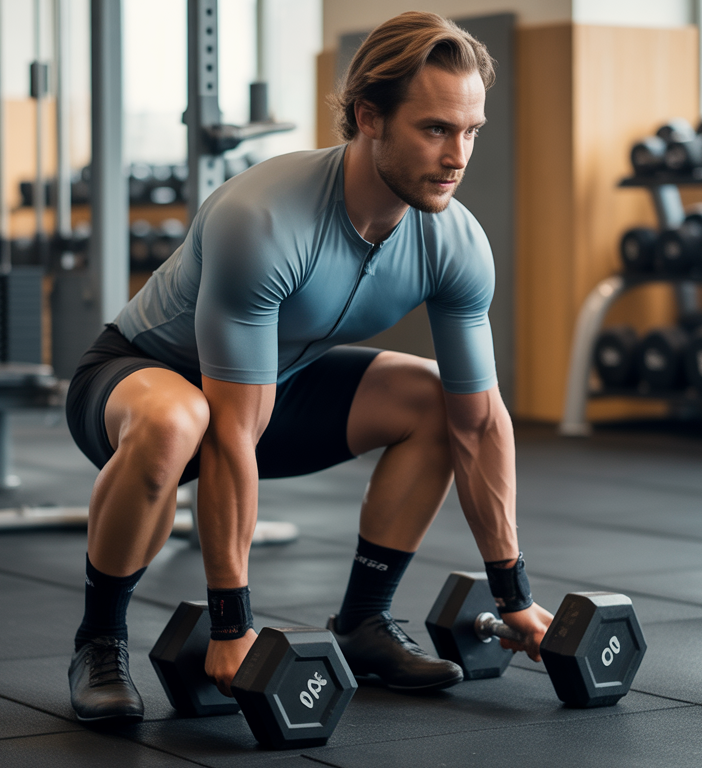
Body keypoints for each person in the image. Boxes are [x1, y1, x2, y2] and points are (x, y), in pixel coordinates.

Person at [64, 11, 553, 724]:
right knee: (181, 420)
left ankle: (365, 623)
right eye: (436, 129)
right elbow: (231, 434)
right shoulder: (263, 218)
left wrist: (514, 595)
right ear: (369, 118)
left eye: (471, 130)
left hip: (275, 388)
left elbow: (478, 423)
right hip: (139, 379)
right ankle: (99, 643)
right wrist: (233, 627)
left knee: (433, 400)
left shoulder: (455, 242)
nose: (458, 155)